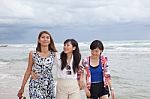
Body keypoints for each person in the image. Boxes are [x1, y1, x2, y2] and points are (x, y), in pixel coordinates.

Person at [17, 31, 57, 99]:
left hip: (49, 84)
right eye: (43, 37)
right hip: (36, 83)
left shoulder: (54, 54)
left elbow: (62, 66)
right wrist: (22, 87)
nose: (45, 39)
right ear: (39, 40)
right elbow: (28, 71)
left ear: (50, 41)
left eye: (47, 37)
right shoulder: (33, 54)